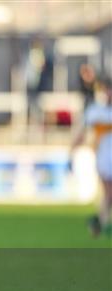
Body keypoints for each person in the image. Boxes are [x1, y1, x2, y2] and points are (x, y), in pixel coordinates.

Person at [70, 77, 112, 238]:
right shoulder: (95, 111)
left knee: (108, 194)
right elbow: (81, 134)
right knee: (109, 191)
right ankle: (101, 223)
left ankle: (100, 222)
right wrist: (72, 152)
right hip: (104, 157)